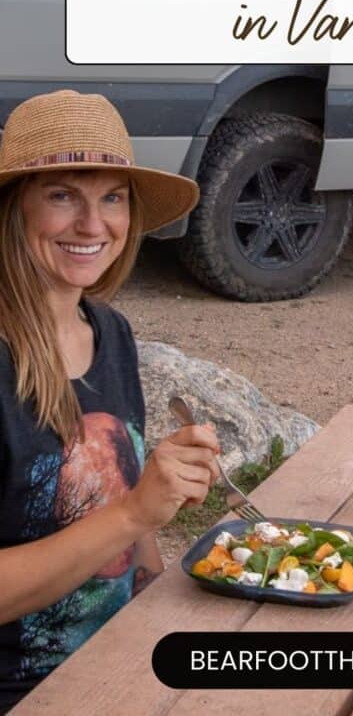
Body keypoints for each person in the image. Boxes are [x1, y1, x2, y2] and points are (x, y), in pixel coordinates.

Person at [0, 90, 222, 714]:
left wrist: (159, 624)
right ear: (14, 209)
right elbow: (126, 516)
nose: (94, 226)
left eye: (112, 197)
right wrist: (131, 514)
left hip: (119, 663)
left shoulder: (112, 335)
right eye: (64, 194)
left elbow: (135, 530)